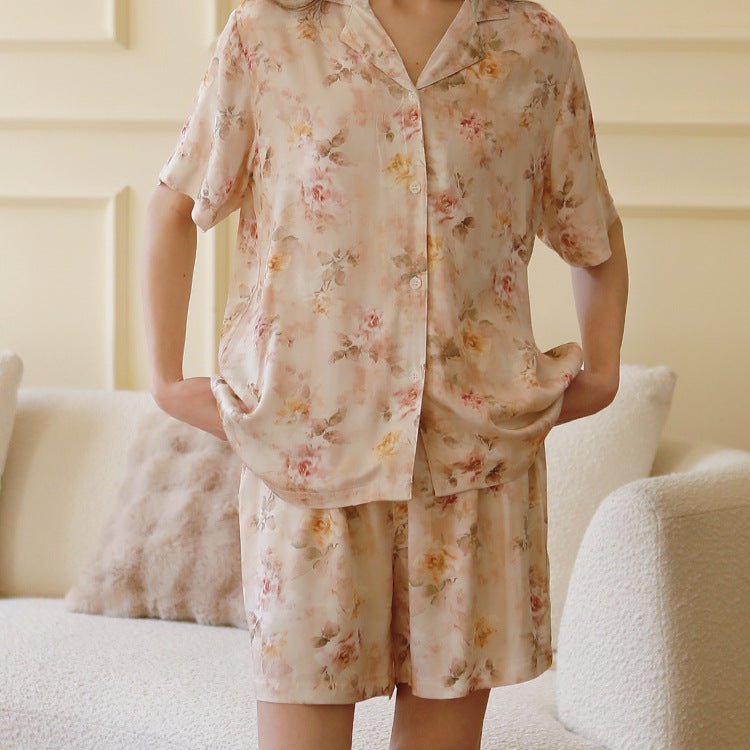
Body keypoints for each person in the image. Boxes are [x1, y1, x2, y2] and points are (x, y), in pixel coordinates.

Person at [141, 0, 628, 747]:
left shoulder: (533, 44)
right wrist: (165, 380)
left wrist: (605, 367)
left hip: (471, 467)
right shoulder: (269, 35)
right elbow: (175, 204)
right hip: (310, 458)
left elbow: (592, 228)